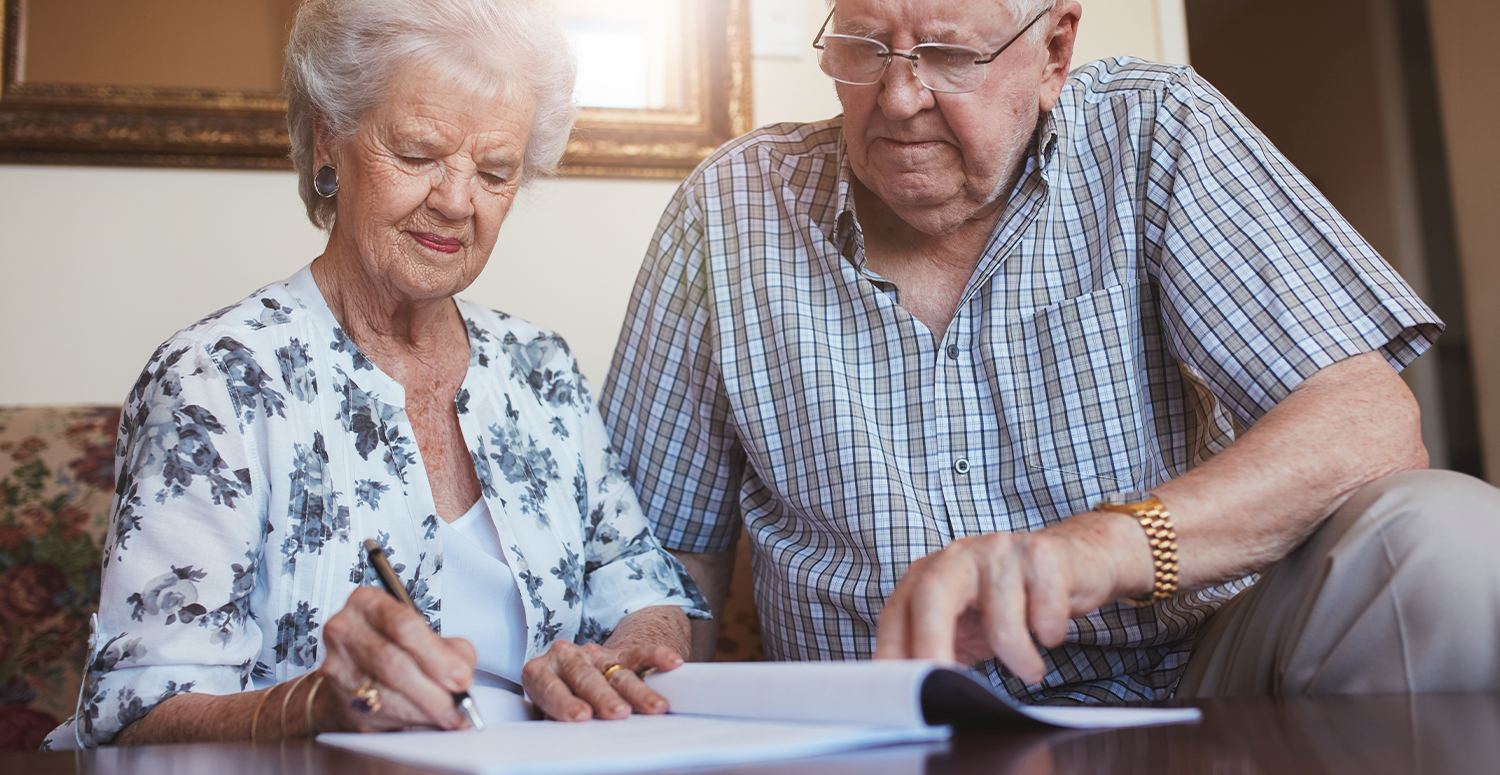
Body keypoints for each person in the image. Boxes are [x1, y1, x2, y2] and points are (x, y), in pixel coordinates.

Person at [601, 0, 1500, 703]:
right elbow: (655, 551)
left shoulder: (1155, 131)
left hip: (1188, 684)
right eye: (865, 47)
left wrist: (1095, 550)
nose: (901, 97)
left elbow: (1369, 422)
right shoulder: (728, 207)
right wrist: (646, 650)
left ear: (1055, 50)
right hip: (874, 728)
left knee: (1445, 538)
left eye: (951, 55)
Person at [45, 0, 708, 749]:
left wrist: (621, 662)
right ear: (331, 142)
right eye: (420, 154)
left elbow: (645, 589)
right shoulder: (217, 381)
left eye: (495, 172)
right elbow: (132, 714)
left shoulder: (539, 369)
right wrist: (314, 706)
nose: (457, 201)